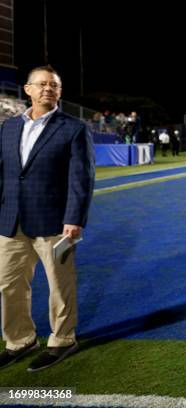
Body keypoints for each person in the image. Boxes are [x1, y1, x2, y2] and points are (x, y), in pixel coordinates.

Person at [0, 65, 95, 371]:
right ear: (27, 90)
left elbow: (82, 178)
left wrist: (74, 218)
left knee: (60, 285)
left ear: (59, 92)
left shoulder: (74, 128)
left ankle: (63, 339)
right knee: (9, 284)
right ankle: (19, 340)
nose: (47, 89)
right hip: (11, 220)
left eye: (53, 85)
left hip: (57, 224)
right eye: (41, 84)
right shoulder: (8, 127)